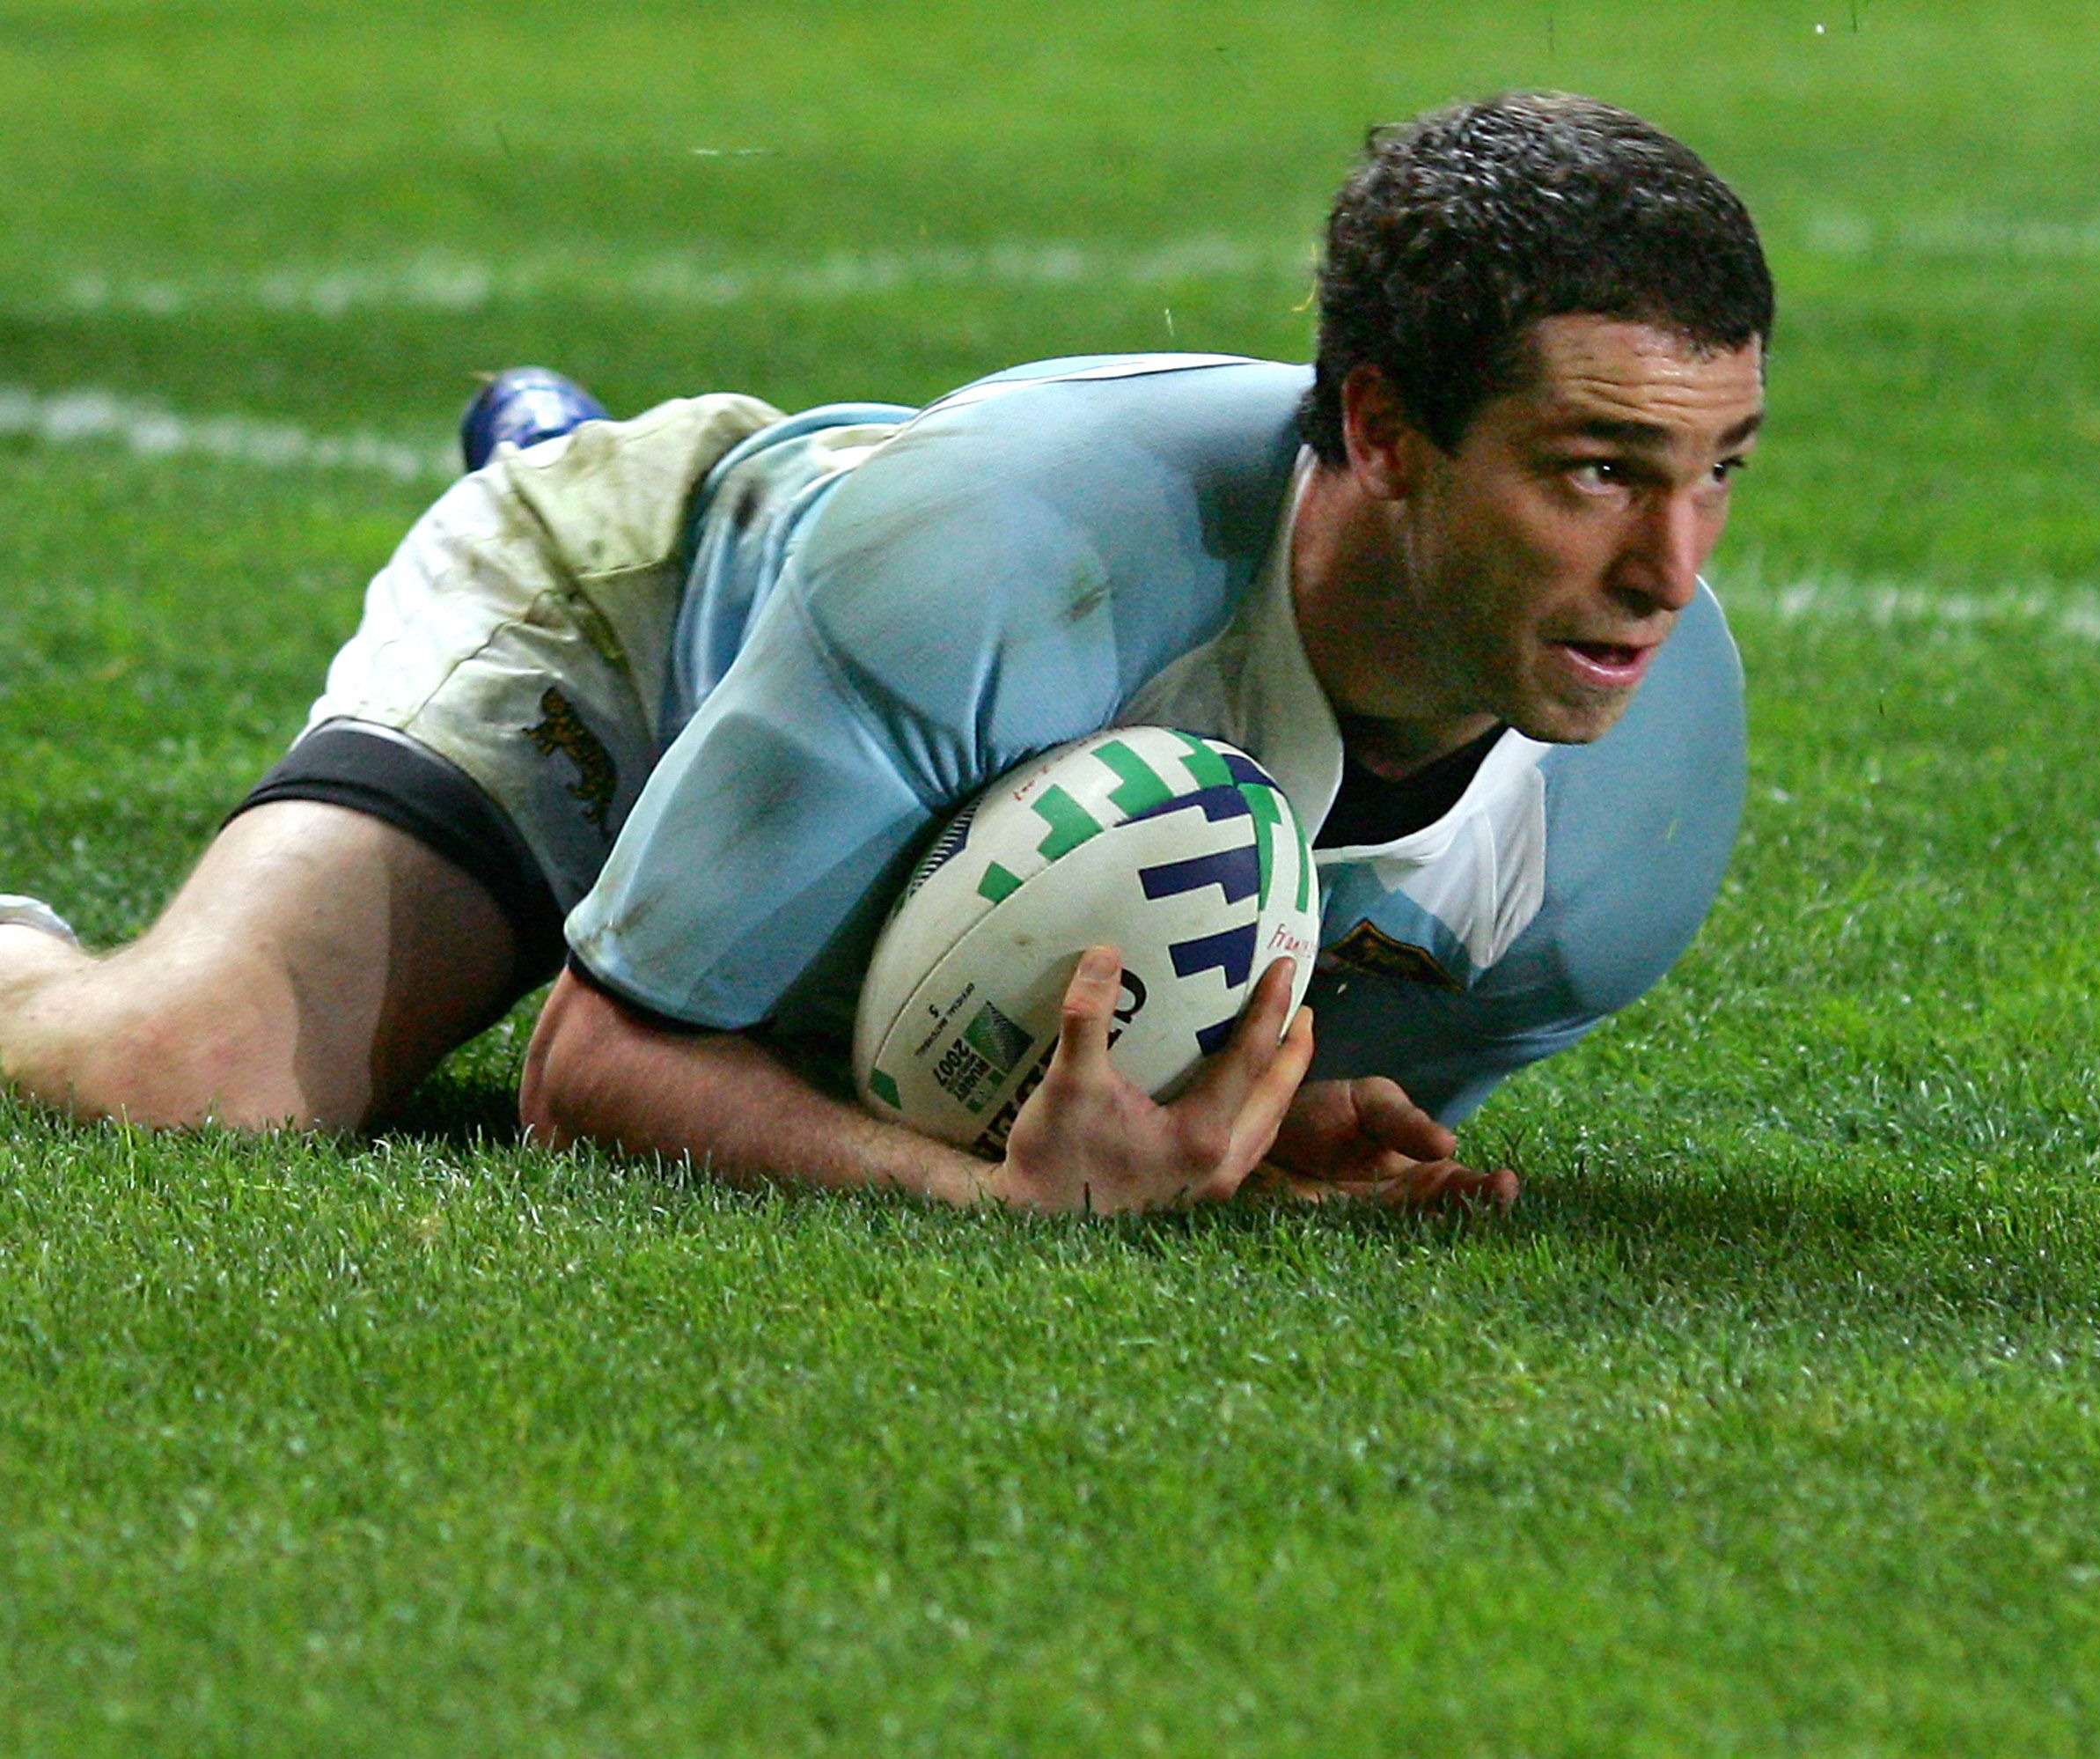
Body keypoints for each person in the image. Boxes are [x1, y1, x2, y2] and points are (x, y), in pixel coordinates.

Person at [0, 92, 1772, 1214]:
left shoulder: (1637, 821)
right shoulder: (1014, 563)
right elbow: (593, 1072)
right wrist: (982, 1203)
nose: (1664, 570)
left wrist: (1255, 1146)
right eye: (1596, 472)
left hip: (892, 686)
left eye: (1717, 474)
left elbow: (1047, 1037)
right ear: (1382, 431)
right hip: (649, 633)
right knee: (199, 1083)